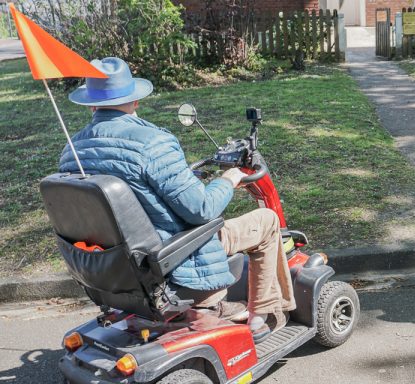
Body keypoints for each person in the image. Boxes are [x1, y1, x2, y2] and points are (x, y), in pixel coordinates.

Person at [59, 57, 295, 342]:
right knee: (267, 221)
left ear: (92, 104)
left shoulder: (71, 151)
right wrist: (227, 180)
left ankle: (216, 309)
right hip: (172, 258)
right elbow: (202, 209)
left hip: (116, 268)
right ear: (135, 101)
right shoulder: (152, 143)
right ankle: (262, 317)